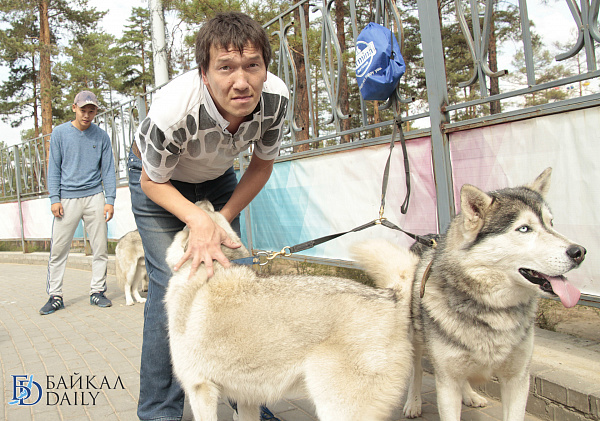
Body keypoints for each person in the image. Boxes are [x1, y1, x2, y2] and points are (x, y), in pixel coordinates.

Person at [127, 12, 289, 421]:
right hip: (160, 182)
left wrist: (222, 218)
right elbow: (151, 181)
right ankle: (158, 412)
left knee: (233, 280)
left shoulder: (276, 99)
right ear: (204, 73)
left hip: (217, 177)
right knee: (174, 282)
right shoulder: (174, 109)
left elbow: (261, 166)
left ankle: (247, 399)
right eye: (226, 67)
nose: (242, 81)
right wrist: (199, 222)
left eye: (252, 65)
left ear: (265, 68)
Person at [40, 90, 116, 315]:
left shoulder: (101, 136)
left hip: (95, 197)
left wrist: (109, 200)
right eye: (83, 110)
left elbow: (108, 170)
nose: (87, 115)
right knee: (58, 249)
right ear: (74, 108)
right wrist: (54, 198)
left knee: (100, 248)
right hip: (67, 198)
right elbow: (54, 167)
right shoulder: (60, 133)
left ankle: (97, 291)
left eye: (91, 111)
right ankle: (55, 295)